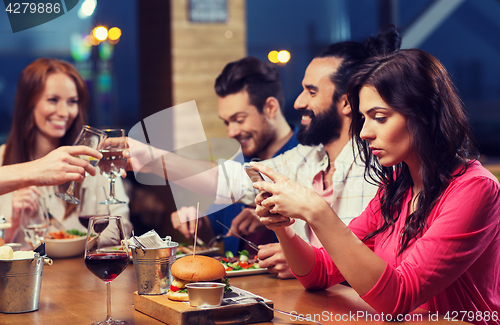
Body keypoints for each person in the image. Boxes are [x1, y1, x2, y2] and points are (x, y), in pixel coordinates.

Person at [124, 26, 400, 278]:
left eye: (311, 92)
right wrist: (151, 159)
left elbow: (377, 260)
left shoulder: (379, 166)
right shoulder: (307, 159)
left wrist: (308, 261)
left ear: (346, 102)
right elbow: (230, 179)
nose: (298, 101)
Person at [252, 49, 500, 320]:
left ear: (423, 114)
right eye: (364, 118)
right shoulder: (396, 187)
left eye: (379, 117)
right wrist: (283, 227)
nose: (364, 133)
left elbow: (399, 297)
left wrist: (317, 211)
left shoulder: (476, 189)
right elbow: (318, 273)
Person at [170, 56, 299, 255]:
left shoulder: (310, 158)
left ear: (270, 108)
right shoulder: (240, 162)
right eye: (226, 122)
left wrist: (270, 221)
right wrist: (195, 222)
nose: (231, 132)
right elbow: (216, 230)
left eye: (239, 119)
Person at [0, 58, 131, 244]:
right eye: (53, 100)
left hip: (82, 271)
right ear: (29, 103)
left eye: (72, 101)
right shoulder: (3, 159)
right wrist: (13, 222)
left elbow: (121, 230)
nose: (64, 112)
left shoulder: (93, 156)